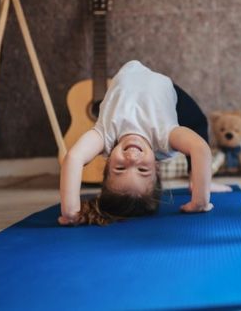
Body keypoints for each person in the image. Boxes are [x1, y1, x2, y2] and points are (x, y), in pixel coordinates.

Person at [59, 60, 230, 226]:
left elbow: (74, 157)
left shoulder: (105, 136)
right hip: (163, 88)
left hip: (126, 75)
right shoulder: (165, 137)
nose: (132, 159)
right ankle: (196, 179)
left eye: (120, 168)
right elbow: (200, 148)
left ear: (107, 162)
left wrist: (71, 211)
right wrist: (200, 200)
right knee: (198, 123)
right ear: (156, 167)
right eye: (142, 169)